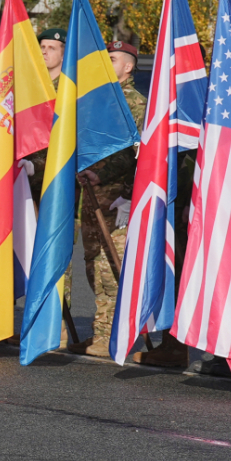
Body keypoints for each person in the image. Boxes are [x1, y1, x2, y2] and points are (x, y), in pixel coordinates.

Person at [74, 40, 147, 358]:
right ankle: (97, 332)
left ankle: (112, 337)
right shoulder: (97, 101)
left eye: (113, 58)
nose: (107, 62)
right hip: (90, 199)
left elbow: (136, 152)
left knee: (111, 270)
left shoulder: (136, 104)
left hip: (119, 200)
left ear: (128, 66)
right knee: (92, 266)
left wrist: (107, 180)